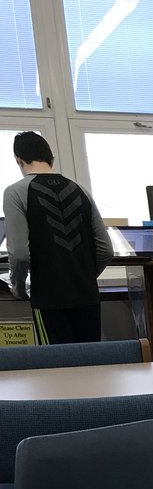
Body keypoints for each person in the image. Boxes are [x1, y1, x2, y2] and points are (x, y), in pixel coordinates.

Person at [2, 131, 113, 344]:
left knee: (58, 368)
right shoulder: (80, 189)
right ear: (50, 158)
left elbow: (19, 253)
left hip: (49, 298)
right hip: (87, 294)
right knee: (92, 363)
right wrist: (84, 276)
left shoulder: (15, 192)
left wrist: (18, 288)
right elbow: (105, 250)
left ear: (18, 159)